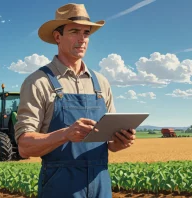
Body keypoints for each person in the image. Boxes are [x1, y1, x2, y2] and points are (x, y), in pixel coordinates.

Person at [14, 3, 136, 198]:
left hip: (100, 183)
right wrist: (65, 134)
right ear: (57, 37)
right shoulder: (38, 82)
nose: (82, 39)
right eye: (74, 32)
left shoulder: (101, 83)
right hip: (60, 186)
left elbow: (111, 144)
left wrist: (122, 141)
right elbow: (24, 146)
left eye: (86, 33)